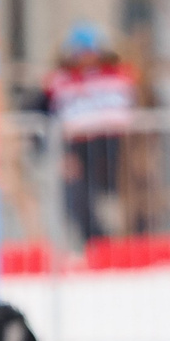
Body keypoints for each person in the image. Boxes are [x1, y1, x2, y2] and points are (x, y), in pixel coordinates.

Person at [43, 23, 136, 244]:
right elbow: (47, 114)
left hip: (116, 145)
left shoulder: (118, 75)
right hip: (77, 148)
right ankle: (98, 242)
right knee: (75, 196)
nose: (85, 58)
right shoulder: (59, 80)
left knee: (132, 196)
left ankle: (134, 243)